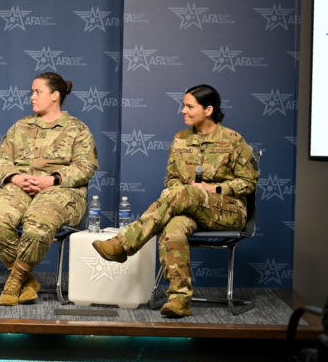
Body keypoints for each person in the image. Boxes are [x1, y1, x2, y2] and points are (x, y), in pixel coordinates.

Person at [92, 84, 259, 318]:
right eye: (183, 105)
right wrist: (185, 193)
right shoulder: (180, 140)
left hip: (227, 211)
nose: (183, 110)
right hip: (187, 207)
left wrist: (213, 187)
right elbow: (172, 181)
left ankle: (123, 244)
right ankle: (179, 299)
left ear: (208, 110)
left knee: (182, 194)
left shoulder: (233, 140)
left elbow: (248, 183)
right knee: (172, 227)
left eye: (189, 106)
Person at [0, 72, 98, 306]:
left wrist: (52, 180)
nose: (32, 96)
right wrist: (14, 177)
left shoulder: (77, 130)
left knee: (37, 222)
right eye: (32, 91)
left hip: (61, 191)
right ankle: (26, 279)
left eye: (37, 92)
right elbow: (1, 159)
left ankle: (14, 282)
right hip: (21, 188)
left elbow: (86, 167)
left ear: (55, 95)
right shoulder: (21, 126)